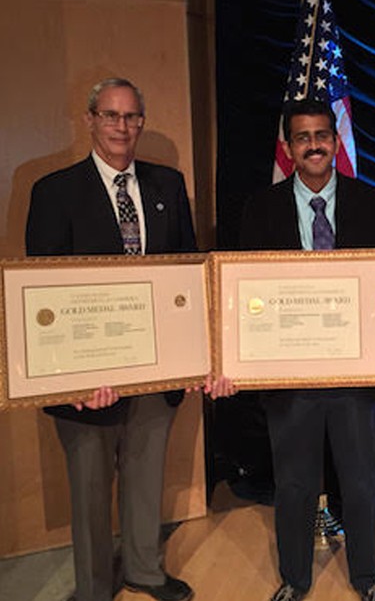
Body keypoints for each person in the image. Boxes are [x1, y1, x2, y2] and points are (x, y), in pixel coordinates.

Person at [25, 78, 200, 601]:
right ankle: (95, 587)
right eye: (110, 116)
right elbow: (42, 297)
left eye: (131, 117)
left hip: (154, 368)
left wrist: (191, 356)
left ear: (141, 122)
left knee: (147, 476)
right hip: (88, 377)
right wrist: (70, 378)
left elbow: (187, 274)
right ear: (90, 120)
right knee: (90, 488)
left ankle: (145, 571)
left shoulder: (168, 185)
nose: (121, 127)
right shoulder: (54, 191)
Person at [240, 99, 375, 601]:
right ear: (288, 147)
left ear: (336, 142)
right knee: (294, 486)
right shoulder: (261, 209)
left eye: (323, 135)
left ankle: (367, 578)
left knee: (361, 484)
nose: (314, 145)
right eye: (303, 137)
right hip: (289, 378)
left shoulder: (371, 203)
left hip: (355, 377)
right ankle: (295, 579)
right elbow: (244, 294)